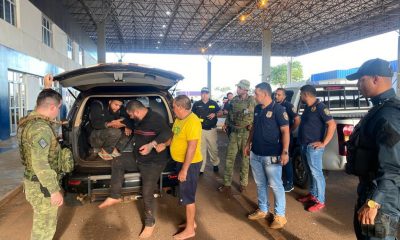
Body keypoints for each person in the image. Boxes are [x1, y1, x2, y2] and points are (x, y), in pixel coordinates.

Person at [98, 100, 173, 239]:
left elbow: (168, 133)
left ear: (137, 112)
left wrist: (152, 144)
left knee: (147, 192)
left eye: (131, 115)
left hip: (153, 162)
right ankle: (114, 196)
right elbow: (126, 121)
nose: (131, 118)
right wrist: (116, 123)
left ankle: (150, 223)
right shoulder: (137, 119)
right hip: (139, 158)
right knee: (118, 160)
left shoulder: (156, 119)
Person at [345, 58, 400, 240]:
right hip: (370, 190)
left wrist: (374, 202)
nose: (359, 85)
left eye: (361, 80)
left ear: (376, 79)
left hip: (381, 200)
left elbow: (393, 167)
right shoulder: (379, 109)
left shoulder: (388, 115)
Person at [17, 74, 65, 240]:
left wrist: (47, 89)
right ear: (53, 108)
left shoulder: (30, 121)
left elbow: (43, 105)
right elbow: (40, 164)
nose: (58, 111)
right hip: (41, 185)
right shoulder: (41, 130)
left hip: (34, 182)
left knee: (43, 223)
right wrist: (53, 191)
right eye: (58, 108)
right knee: (44, 228)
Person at [244, 82, 290, 229]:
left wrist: (285, 151)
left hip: (272, 155)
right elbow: (254, 128)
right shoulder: (258, 109)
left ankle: (280, 216)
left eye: (256, 94)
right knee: (260, 184)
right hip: (256, 153)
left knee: (276, 185)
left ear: (265, 94)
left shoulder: (278, 109)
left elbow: (285, 131)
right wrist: (247, 144)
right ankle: (263, 210)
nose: (255, 96)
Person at [296, 85, 336, 212]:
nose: (301, 96)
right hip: (304, 145)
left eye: (301, 94)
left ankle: (320, 201)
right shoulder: (308, 107)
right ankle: (313, 195)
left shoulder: (321, 107)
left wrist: (324, 143)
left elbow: (332, 125)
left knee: (317, 174)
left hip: (313, 148)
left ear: (306, 94)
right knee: (309, 172)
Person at [170, 95, 202, 240]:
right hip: (180, 162)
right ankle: (191, 223)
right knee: (184, 193)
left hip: (190, 164)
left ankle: (190, 230)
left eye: (174, 106)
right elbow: (174, 136)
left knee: (188, 197)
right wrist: (163, 144)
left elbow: (192, 148)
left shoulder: (193, 121)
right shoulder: (179, 119)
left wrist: (184, 169)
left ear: (181, 107)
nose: (172, 109)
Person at [219, 80, 256, 194]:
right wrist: (226, 123)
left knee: (245, 160)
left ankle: (243, 184)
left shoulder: (252, 101)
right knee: (229, 159)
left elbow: (257, 116)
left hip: (246, 133)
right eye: (238, 88)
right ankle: (226, 184)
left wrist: (253, 126)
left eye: (239, 88)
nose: (237, 89)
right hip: (234, 132)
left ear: (245, 89)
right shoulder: (234, 100)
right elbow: (230, 114)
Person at [275, 88, 300, 192]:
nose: (276, 96)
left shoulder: (288, 106)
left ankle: (289, 183)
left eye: (279, 95)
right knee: (278, 159)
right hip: (277, 138)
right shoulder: (274, 105)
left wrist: (289, 131)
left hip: (286, 138)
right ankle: (280, 180)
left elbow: (297, 120)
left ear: (284, 96)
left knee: (287, 160)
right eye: (276, 94)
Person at [192, 87, 221, 174]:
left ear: (209, 94)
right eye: (203, 93)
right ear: (201, 94)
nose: (204, 95)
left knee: (213, 148)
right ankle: (201, 168)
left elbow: (221, 112)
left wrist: (215, 114)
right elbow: (192, 115)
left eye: (206, 93)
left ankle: (215, 163)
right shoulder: (196, 104)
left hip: (211, 130)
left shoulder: (213, 103)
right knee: (201, 149)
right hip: (200, 130)